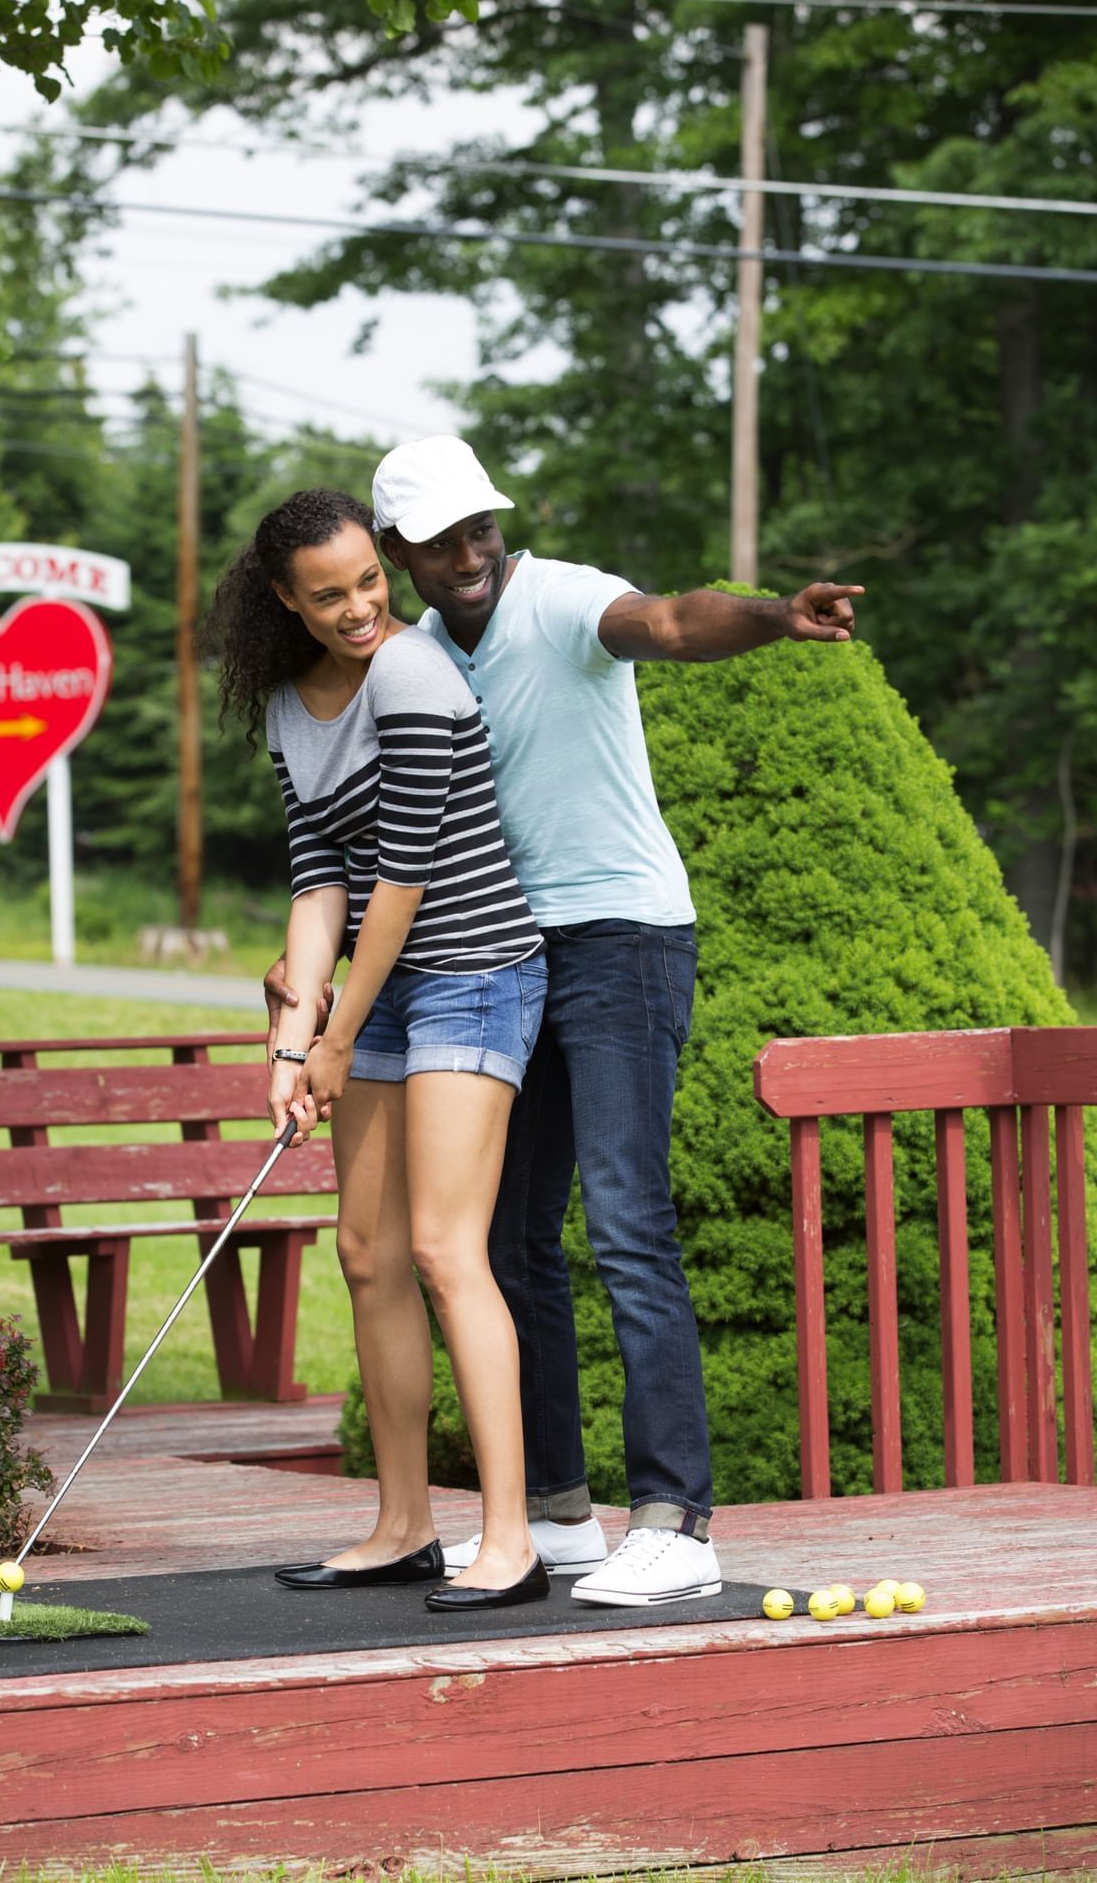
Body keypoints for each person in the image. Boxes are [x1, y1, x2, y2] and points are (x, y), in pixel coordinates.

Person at [267, 438, 860, 1609]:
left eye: (479, 526)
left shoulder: (557, 595)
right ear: (398, 557)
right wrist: (302, 994)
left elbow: (675, 624)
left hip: (622, 938)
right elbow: (345, 851)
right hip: (503, 955)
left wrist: (775, 617)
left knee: (627, 1220)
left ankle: (676, 1520)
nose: (469, 551)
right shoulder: (409, 656)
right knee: (503, 1243)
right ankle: (554, 1511)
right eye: (438, 540)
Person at [211, 486, 551, 1613]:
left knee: (451, 1252)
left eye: (368, 581)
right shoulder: (285, 706)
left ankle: (507, 1541)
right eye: (329, 595)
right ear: (282, 600)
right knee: (368, 1251)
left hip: (469, 974)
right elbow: (318, 877)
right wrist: (291, 1033)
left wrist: (332, 1039)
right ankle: (403, 1525)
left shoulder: (413, 672)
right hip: (376, 988)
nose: (361, 608)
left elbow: (398, 877)